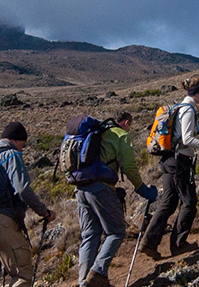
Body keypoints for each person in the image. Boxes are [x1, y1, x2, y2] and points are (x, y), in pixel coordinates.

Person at [139, 77, 199, 259]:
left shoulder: (178, 108)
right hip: (179, 162)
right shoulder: (188, 110)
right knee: (189, 202)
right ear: (197, 93)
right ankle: (178, 244)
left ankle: (149, 243)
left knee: (168, 202)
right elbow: (186, 140)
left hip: (168, 160)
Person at [0, 122, 56, 287]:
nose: (23, 149)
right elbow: (22, 190)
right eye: (23, 145)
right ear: (18, 140)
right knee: (22, 275)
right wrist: (44, 212)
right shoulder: (11, 155)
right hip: (0, 224)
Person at [76, 111, 158, 287]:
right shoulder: (121, 135)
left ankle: (84, 282)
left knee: (90, 235)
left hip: (80, 188)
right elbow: (128, 166)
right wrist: (142, 189)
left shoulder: (97, 133)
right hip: (101, 188)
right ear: (126, 122)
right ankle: (98, 272)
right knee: (116, 231)